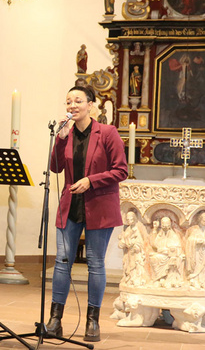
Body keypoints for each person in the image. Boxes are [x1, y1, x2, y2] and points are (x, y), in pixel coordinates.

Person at [46, 85, 128, 342]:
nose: (72, 105)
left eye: (77, 101)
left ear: (90, 105)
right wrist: (59, 138)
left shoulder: (107, 132)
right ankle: (55, 319)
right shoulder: (66, 135)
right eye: (68, 101)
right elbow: (55, 168)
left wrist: (92, 180)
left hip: (99, 206)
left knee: (95, 264)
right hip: (70, 206)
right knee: (62, 263)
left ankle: (92, 321)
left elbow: (121, 170)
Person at [186, 212, 205, 288]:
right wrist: (197, 241)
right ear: (200, 219)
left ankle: (202, 281)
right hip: (196, 252)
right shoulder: (194, 229)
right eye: (204, 220)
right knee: (197, 265)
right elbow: (190, 240)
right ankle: (195, 279)